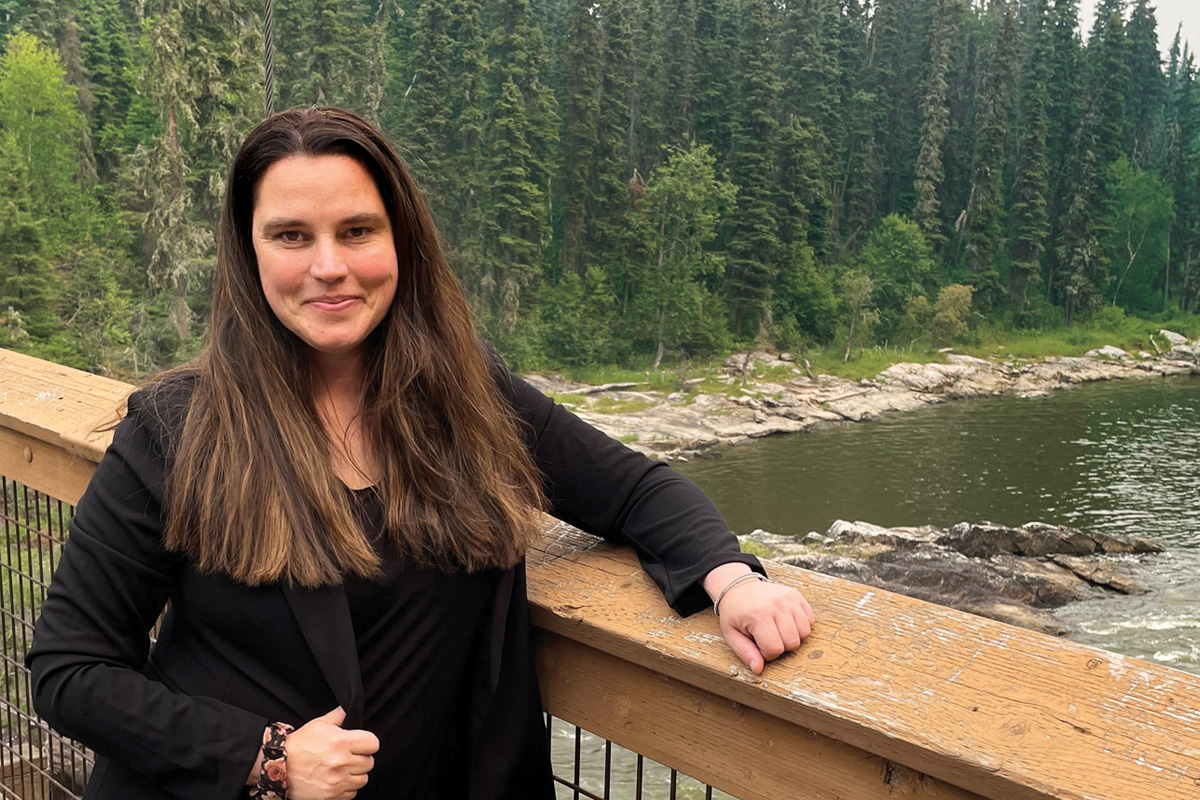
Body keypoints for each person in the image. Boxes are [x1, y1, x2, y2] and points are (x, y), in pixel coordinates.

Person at [27, 107, 814, 800]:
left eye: (357, 231)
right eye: (291, 236)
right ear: (250, 252)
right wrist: (263, 759)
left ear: (401, 240)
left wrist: (731, 580)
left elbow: (635, 491)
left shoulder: (466, 400)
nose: (328, 266)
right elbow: (72, 670)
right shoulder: (178, 431)